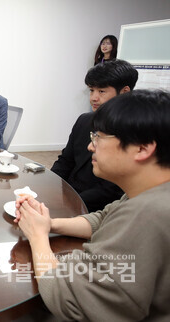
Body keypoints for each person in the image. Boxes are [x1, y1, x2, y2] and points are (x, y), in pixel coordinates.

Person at [15, 90, 170, 321]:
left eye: (98, 137)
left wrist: (38, 237)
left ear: (142, 148)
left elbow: (70, 301)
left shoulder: (149, 214)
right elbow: (104, 218)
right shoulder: (149, 192)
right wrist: (49, 223)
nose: (90, 146)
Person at [51, 59, 138, 212]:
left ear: (124, 92)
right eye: (91, 90)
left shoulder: (133, 133)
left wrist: (69, 202)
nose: (93, 98)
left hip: (97, 209)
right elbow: (65, 161)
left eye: (101, 91)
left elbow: (112, 189)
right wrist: (48, 186)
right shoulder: (84, 120)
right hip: (67, 196)